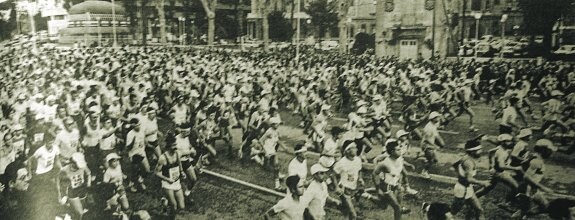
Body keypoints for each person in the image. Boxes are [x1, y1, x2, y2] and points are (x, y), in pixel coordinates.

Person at [450, 138, 490, 220]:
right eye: (479, 150)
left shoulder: (466, 157)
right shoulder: (469, 163)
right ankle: (429, 209)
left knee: (479, 210)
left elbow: (454, 165)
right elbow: (469, 179)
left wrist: (460, 174)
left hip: (467, 188)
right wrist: (483, 183)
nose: (481, 151)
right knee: (452, 212)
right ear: (472, 152)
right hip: (462, 190)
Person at [371, 139, 411, 220]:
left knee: (384, 205)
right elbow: (374, 174)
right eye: (398, 150)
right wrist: (378, 188)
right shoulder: (385, 163)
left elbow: (399, 171)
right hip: (386, 187)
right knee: (397, 207)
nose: (401, 151)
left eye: (400, 149)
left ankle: (367, 195)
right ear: (392, 152)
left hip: (396, 186)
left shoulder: (400, 159)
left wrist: (400, 183)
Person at [155, 134, 186, 215]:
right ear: (168, 145)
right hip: (167, 183)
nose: (175, 147)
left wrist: (182, 172)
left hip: (176, 181)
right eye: (173, 145)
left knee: (182, 207)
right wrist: (167, 179)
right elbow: (156, 172)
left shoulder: (177, 153)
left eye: (176, 144)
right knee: (174, 206)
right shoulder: (163, 158)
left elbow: (179, 163)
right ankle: (166, 208)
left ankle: (165, 200)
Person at [333, 140, 364, 220]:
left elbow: (359, 170)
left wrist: (360, 179)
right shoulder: (341, 162)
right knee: (353, 214)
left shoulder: (358, 160)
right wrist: (336, 187)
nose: (356, 149)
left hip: (353, 189)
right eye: (354, 148)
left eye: (356, 148)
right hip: (344, 190)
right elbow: (333, 174)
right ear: (347, 150)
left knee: (347, 213)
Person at [57, 152, 92, 220]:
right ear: (73, 162)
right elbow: (58, 179)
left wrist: (88, 183)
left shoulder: (83, 166)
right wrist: (60, 193)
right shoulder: (65, 170)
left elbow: (89, 173)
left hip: (82, 189)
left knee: (80, 211)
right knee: (80, 213)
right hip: (72, 191)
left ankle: (69, 216)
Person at [420, 111, 445, 179]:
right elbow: (426, 140)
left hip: (431, 143)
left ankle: (425, 158)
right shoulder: (428, 127)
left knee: (435, 160)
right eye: (437, 117)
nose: (438, 118)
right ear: (433, 119)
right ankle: (424, 172)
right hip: (427, 145)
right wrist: (435, 146)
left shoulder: (434, 124)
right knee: (431, 161)